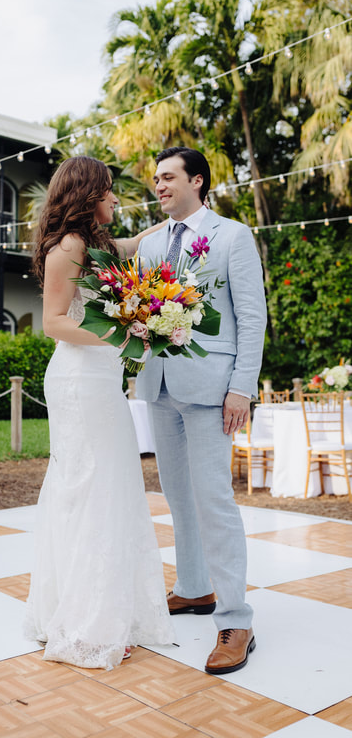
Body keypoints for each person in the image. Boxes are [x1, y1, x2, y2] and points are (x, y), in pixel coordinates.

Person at [24, 155, 175, 670]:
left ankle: (100, 608)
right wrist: (124, 334)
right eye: (109, 190)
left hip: (102, 379)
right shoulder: (68, 247)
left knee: (108, 486)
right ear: (88, 195)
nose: (116, 198)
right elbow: (52, 323)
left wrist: (174, 222)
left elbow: (134, 246)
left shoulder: (101, 246)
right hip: (80, 380)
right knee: (93, 487)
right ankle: (88, 625)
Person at [136, 146, 267, 675]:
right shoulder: (148, 244)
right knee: (176, 495)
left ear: (197, 180)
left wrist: (242, 387)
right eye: (156, 179)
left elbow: (251, 317)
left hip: (214, 389)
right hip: (159, 385)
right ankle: (193, 589)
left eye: (167, 177)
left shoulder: (233, 235)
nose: (158, 186)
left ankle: (236, 619)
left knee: (214, 499)